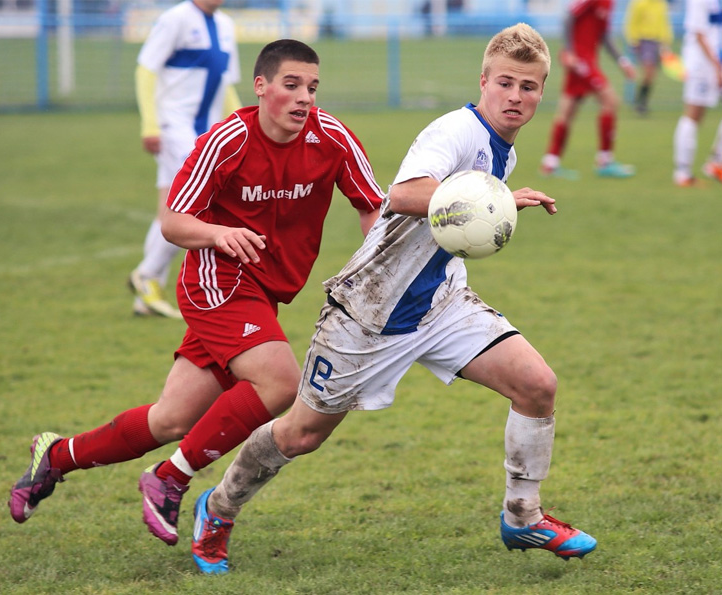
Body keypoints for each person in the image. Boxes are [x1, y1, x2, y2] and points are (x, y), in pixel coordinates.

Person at [188, 23, 597, 576]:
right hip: (368, 315)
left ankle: (523, 516)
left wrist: (492, 200)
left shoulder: (504, 151)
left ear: (541, 92)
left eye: (529, 87)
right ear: (484, 81)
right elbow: (400, 195)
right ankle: (218, 507)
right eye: (506, 83)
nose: (516, 97)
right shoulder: (454, 132)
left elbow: (459, 214)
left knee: (537, 384)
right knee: (300, 433)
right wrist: (489, 198)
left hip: (440, 304)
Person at [8, 40, 384, 548]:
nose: (304, 99)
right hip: (216, 282)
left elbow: (372, 205)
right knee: (279, 383)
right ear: (261, 87)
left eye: (312, 88)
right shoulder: (229, 139)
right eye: (291, 85)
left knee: (171, 419)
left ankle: (54, 458)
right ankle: (170, 478)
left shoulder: (331, 137)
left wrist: (382, 263)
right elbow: (172, 221)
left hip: (264, 293)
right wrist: (217, 234)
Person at [129, 0, 242, 318]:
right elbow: (146, 70)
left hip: (203, 133)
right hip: (173, 128)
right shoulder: (175, 19)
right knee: (198, 205)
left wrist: (240, 124)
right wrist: (150, 123)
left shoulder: (226, 25)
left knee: (170, 207)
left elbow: (225, 84)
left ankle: (146, 294)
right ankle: (146, 274)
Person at [540, 0, 637, 179]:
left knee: (567, 110)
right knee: (610, 101)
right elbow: (568, 16)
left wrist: (622, 62)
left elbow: (604, 36)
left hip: (586, 60)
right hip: (580, 60)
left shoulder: (609, 3)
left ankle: (550, 163)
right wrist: (569, 51)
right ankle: (605, 161)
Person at [672, 0, 722, 187]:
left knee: (696, 116)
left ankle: (716, 163)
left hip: (714, 62)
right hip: (701, 64)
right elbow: (699, 33)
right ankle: (682, 172)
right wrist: (716, 66)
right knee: (694, 114)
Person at [623, 0, 674, 115]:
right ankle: (641, 103)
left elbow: (665, 25)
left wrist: (666, 42)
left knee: (652, 75)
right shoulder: (639, 3)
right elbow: (632, 23)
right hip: (644, 41)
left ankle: (640, 101)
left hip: (658, 42)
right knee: (648, 72)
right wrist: (634, 40)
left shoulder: (661, 4)